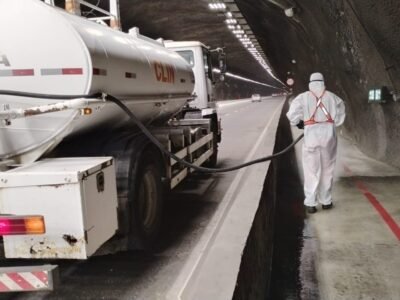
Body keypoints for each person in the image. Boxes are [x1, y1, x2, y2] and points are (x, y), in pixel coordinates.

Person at [286, 72, 345, 213]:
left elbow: (291, 114)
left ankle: (311, 204)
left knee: (311, 171)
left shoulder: (303, 97)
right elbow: (341, 112)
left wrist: (299, 123)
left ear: (310, 83)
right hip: (328, 138)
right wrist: (334, 122)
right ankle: (326, 201)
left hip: (311, 138)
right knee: (327, 170)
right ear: (323, 82)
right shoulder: (333, 97)